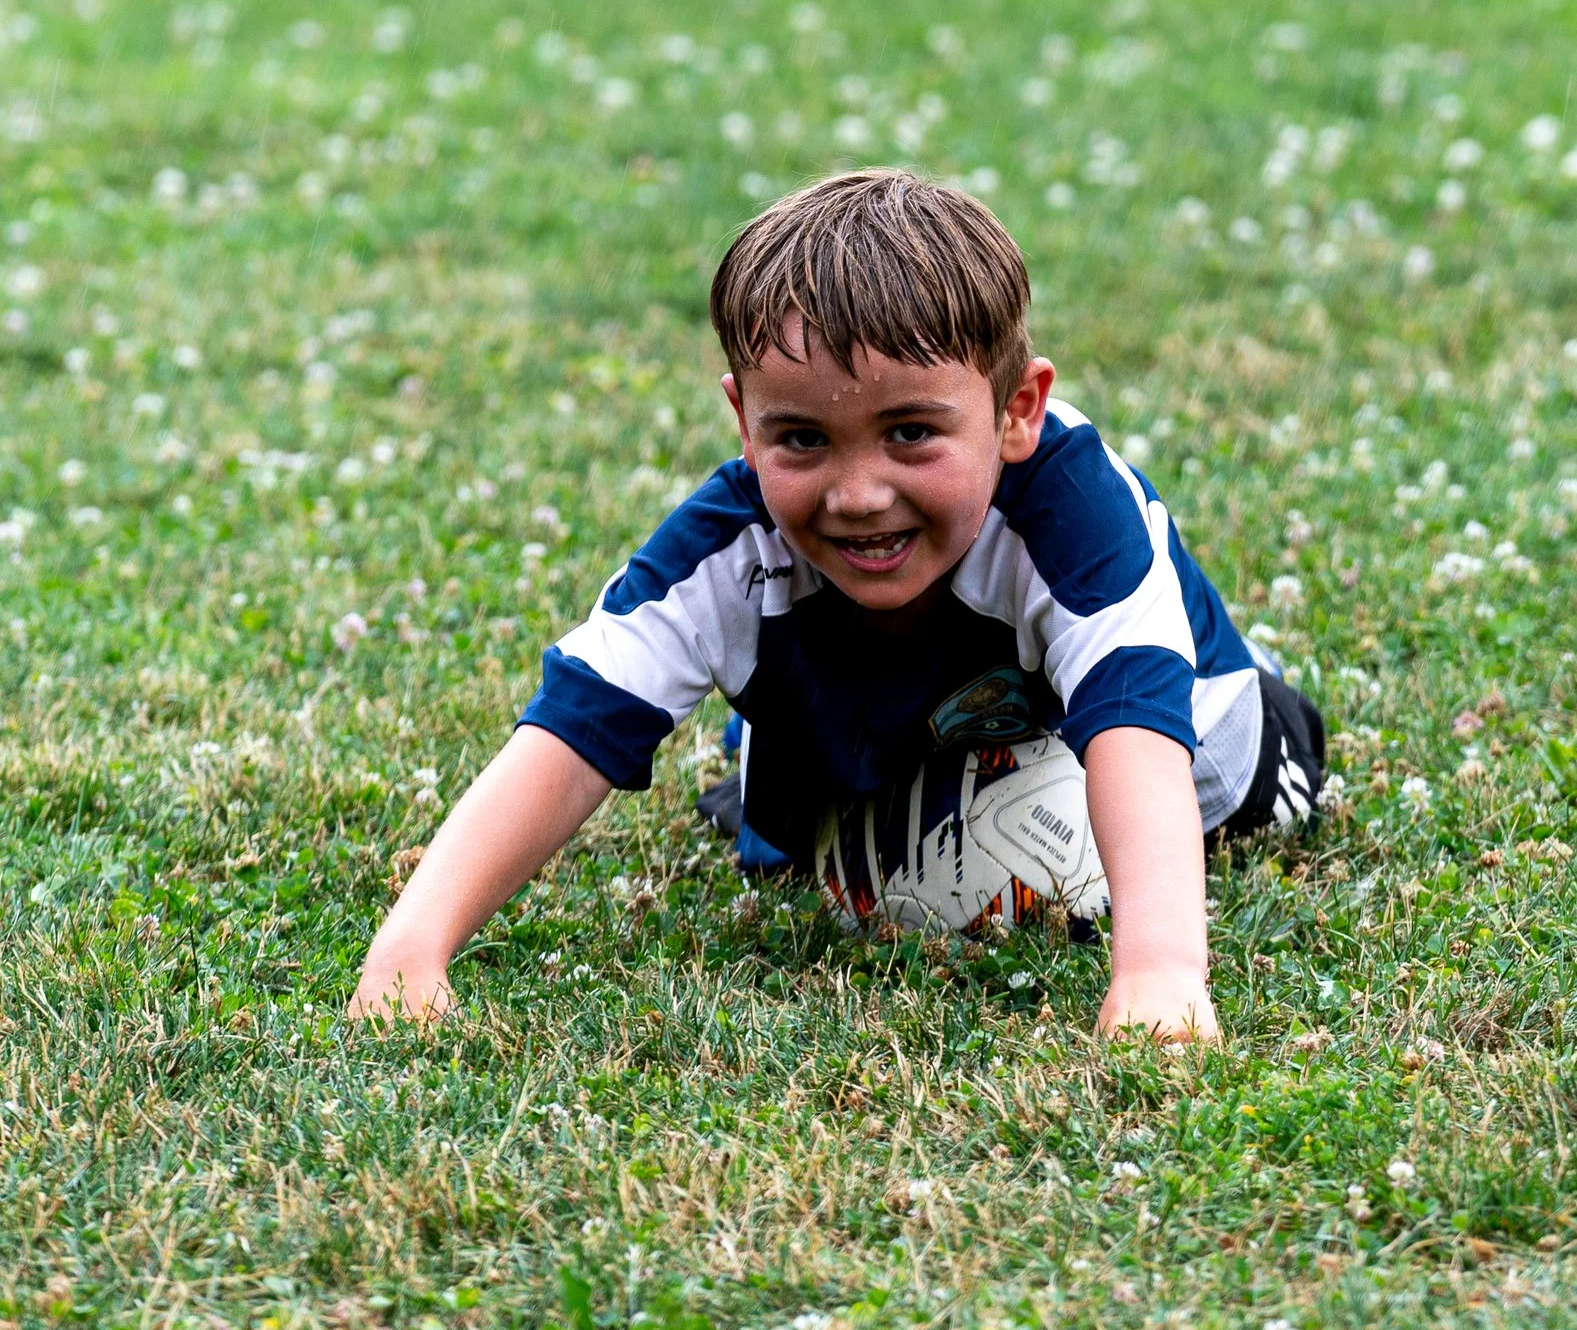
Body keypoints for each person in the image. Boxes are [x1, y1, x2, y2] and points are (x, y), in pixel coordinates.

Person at [348, 170, 1322, 1041]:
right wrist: (410, 948)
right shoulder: (730, 542)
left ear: (1016, 409)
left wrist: (1159, 973)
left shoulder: (1073, 511)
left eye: (909, 432)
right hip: (907, 732)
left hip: (1160, 727)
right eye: (803, 440)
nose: (858, 492)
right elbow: (570, 730)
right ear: (743, 419)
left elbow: (1140, 726)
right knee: (797, 839)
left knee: (1231, 785)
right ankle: (801, 762)